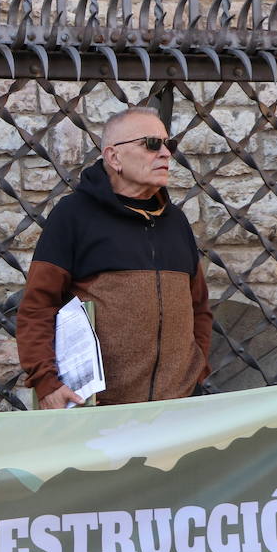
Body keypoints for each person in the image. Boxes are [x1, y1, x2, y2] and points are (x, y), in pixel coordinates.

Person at [17, 106, 212, 407]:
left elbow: (199, 307)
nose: (165, 154)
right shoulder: (73, 216)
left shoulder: (177, 222)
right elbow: (37, 307)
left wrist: (195, 373)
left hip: (178, 411)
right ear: (113, 157)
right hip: (101, 414)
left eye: (168, 144)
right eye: (151, 144)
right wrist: (47, 383)